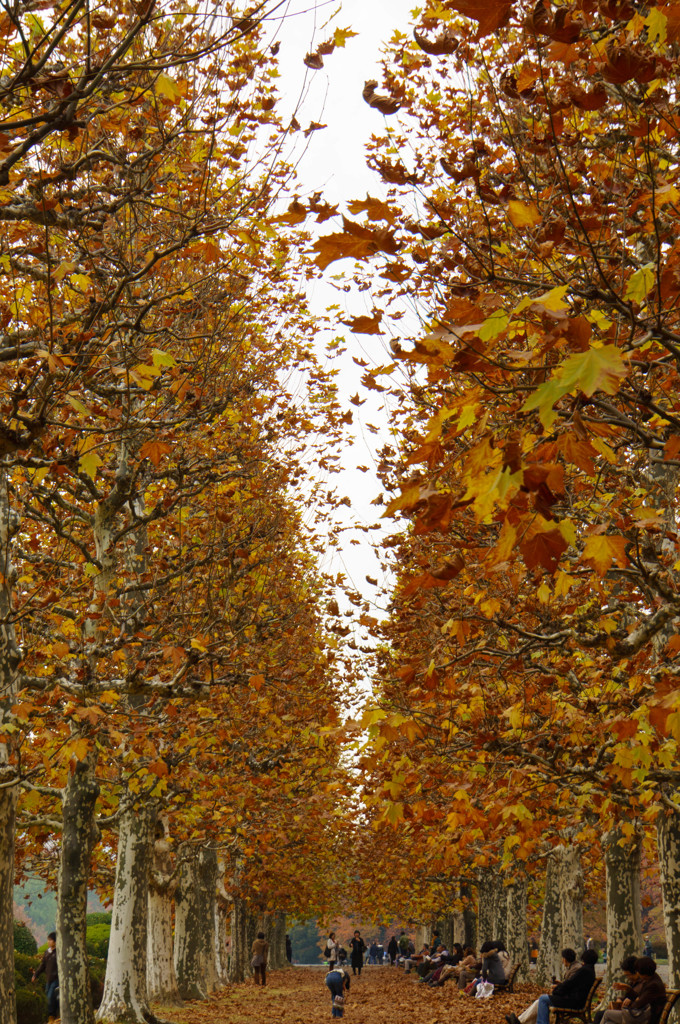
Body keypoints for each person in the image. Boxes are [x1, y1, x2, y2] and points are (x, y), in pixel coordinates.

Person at [506, 948, 599, 1024]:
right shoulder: (589, 971)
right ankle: (521, 1021)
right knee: (542, 1000)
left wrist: (556, 990)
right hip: (576, 1000)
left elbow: (569, 984)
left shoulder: (583, 971)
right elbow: (571, 984)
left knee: (543, 999)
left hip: (573, 1001)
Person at [600, 957, 666, 1024]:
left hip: (645, 1018)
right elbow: (640, 998)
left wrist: (625, 1006)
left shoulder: (653, 985)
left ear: (642, 973)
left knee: (607, 1013)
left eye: (637, 971)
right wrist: (628, 989)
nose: (637, 973)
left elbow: (638, 1004)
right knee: (609, 1023)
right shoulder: (652, 979)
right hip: (642, 1015)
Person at [32, 931, 59, 1023]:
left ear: (55, 941)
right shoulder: (47, 952)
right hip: (48, 980)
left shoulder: (59, 953)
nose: (48, 942)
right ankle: (52, 1016)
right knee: (48, 997)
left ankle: (52, 1016)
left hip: (56, 980)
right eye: (48, 940)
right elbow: (42, 965)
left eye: (50, 940)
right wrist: (35, 975)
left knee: (50, 997)